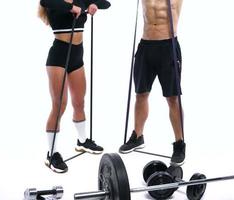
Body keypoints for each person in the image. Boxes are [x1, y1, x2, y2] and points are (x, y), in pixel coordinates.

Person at [38, 0, 110, 173]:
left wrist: (93, 4)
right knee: (59, 105)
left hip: (77, 57)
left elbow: (106, 3)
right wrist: (72, 8)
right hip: (58, 58)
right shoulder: (54, 2)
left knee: (79, 102)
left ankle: (82, 141)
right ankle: (52, 154)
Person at [119, 0, 186, 166]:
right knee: (140, 94)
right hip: (146, 45)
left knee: (173, 98)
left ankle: (179, 143)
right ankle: (138, 136)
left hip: (168, 46)